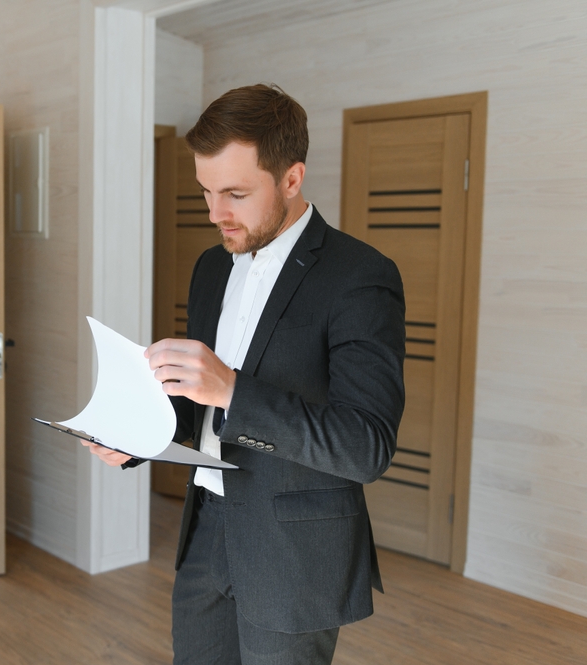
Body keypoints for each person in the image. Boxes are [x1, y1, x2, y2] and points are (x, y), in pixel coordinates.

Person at [84, 84, 406, 664]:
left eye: (234, 193)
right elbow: (198, 402)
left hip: (294, 552)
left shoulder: (360, 277)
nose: (216, 214)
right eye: (206, 192)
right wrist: (132, 437)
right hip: (205, 532)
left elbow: (367, 447)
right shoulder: (211, 267)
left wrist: (234, 387)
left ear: (291, 178)